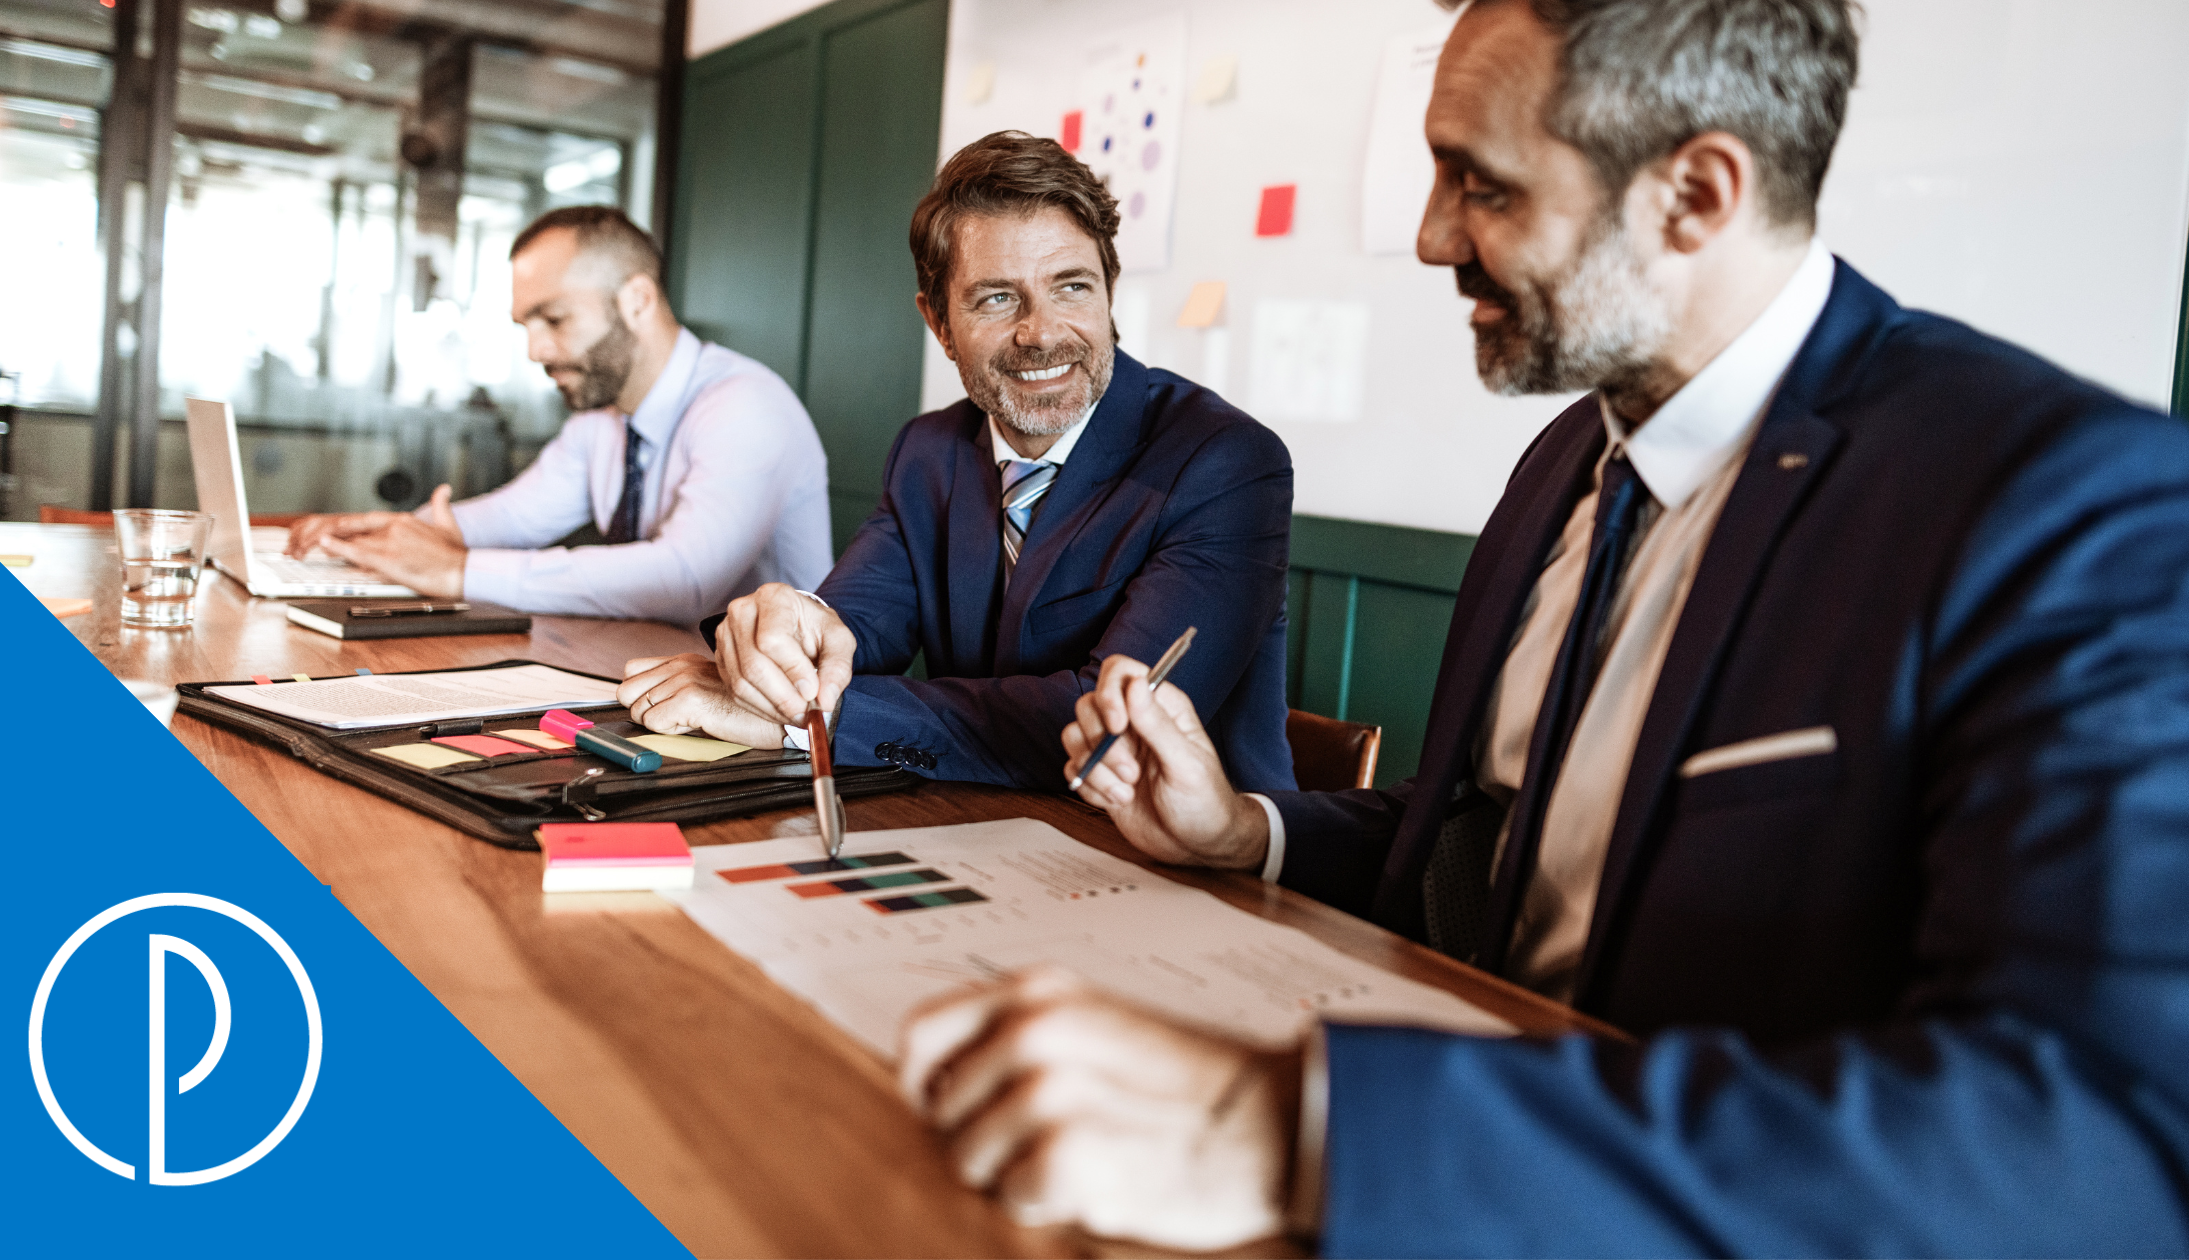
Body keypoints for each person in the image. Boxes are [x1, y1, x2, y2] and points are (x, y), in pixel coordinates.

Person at [894, 0, 2189, 1252]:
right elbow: (1487, 844)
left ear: (1696, 194)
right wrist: (1251, 830)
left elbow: (2099, 1149)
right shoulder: (1566, 461)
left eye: (1483, 184)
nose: (1428, 236)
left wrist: (1293, 1132)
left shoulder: (2065, 506)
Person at [617, 133, 1298, 792]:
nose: (1042, 332)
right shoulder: (929, 451)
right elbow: (851, 628)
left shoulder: (1225, 463)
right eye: (998, 298)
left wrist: (809, 722)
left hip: (1190, 874)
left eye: (1071, 287)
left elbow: (1107, 726)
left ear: (1109, 291)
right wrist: (785, 640)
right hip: (976, 829)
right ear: (939, 323)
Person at [285, 206, 832, 626]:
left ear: (637, 300)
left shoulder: (745, 406)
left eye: (554, 319)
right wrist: (370, 535)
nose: (535, 352)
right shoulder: (603, 419)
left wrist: (459, 571)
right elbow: (513, 518)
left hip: (783, 724)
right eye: (525, 325)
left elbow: (684, 580)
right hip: (668, 679)